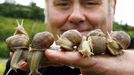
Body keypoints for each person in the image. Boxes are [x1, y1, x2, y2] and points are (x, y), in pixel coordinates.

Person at [4, 0, 134, 75]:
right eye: (62, 3)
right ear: (46, 11)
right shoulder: (22, 64)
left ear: (113, 7)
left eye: (91, 2)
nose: (76, 16)